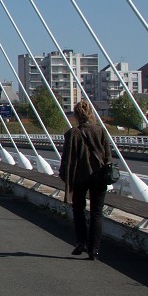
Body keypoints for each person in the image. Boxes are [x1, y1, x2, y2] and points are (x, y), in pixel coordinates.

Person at [59, 99, 113, 260]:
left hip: (79, 177)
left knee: (78, 210)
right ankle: (94, 250)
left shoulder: (72, 133)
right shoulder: (101, 131)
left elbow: (66, 159)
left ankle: (81, 241)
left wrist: (64, 176)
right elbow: (108, 157)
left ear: (76, 115)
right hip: (98, 178)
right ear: (91, 114)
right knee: (97, 214)